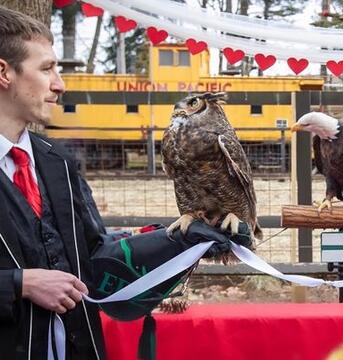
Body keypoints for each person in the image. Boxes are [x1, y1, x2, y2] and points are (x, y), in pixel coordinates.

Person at [0, 5, 248, 359]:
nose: (60, 84)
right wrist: (18, 284)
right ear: (4, 73)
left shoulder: (58, 163)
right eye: (46, 69)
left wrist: (179, 243)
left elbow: (96, 257)